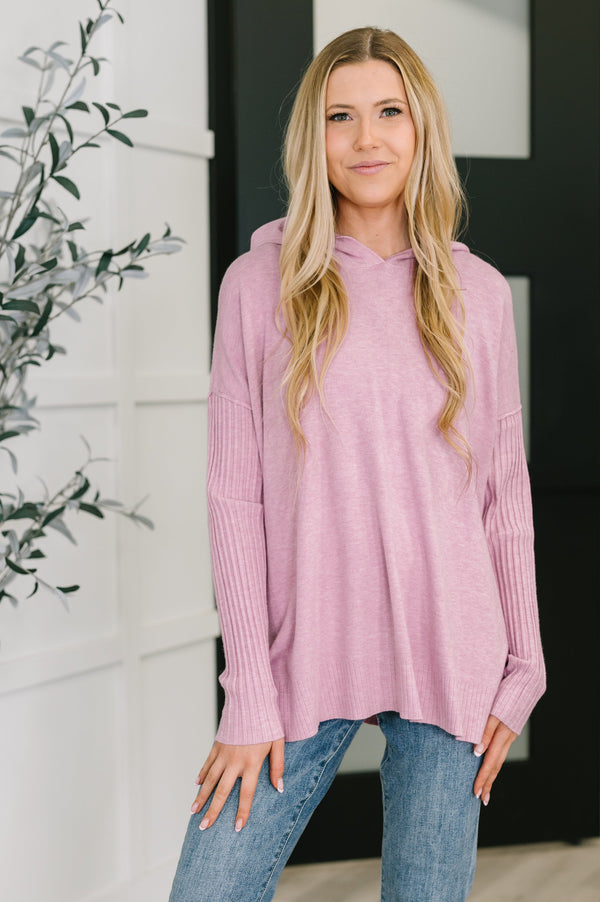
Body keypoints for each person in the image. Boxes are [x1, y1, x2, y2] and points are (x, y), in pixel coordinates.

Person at [169, 25, 546, 902]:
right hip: (301, 657)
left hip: (453, 655)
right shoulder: (256, 286)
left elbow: (504, 494)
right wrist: (247, 692)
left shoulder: (476, 294)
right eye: (341, 116)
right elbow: (235, 497)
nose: (366, 138)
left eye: (388, 112)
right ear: (315, 137)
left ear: (422, 132)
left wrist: (525, 661)